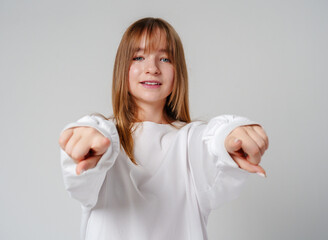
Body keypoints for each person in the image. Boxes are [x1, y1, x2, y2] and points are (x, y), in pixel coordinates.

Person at [59, 17, 269, 240]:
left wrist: (229, 136)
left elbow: (211, 143)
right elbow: (80, 183)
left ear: (178, 71)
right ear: (123, 68)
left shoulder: (189, 141)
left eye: (165, 58)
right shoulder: (107, 141)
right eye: (139, 57)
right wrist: (89, 141)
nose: (152, 68)